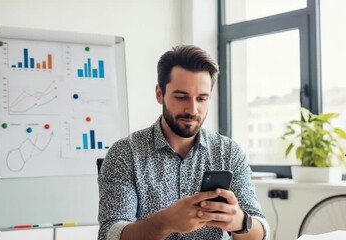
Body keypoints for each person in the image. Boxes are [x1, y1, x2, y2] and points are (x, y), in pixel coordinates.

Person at [98, 45, 270, 240]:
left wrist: (240, 221)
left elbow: (261, 231)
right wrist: (164, 222)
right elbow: (109, 234)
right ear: (159, 94)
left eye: (202, 99)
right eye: (181, 97)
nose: (193, 109)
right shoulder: (125, 153)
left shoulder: (228, 152)